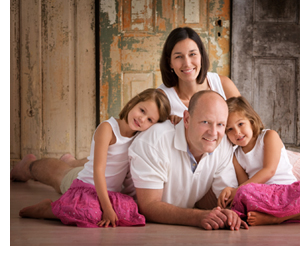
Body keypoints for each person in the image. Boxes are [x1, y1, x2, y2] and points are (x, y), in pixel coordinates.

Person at [17, 88, 171, 228]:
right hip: (88, 187)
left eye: (150, 120)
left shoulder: (139, 135)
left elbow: (163, 125)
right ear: (132, 103)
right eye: (142, 110)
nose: (142, 119)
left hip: (111, 193)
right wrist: (108, 208)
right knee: (91, 214)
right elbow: (98, 171)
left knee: (130, 212)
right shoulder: (108, 129)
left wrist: (173, 118)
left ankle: (76, 207)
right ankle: (47, 209)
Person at [128, 90, 248, 231]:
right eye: (205, 122)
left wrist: (226, 214)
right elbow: (148, 206)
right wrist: (197, 217)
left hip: (183, 231)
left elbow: (222, 197)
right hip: (137, 230)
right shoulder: (153, 141)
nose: (213, 132)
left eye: (220, 124)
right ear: (186, 119)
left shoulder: (223, 145)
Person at [217, 96, 300, 225]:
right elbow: (246, 185)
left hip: (288, 192)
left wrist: (236, 190)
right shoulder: (236, 155)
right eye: (230, 129)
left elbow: (269, 170)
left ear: (251, 121)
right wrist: (231, 190)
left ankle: (276, 218)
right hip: (264, 197)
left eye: (241, 124)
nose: (237, 132)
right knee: (243, 193)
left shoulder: (269, 136)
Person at [158, 26, 240, 124]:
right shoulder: (161, 98)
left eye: (192, 54)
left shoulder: (223, 85)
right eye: (178, 56)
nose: (187, 64)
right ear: (170, 62)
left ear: (201, 55)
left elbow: (249, 124)